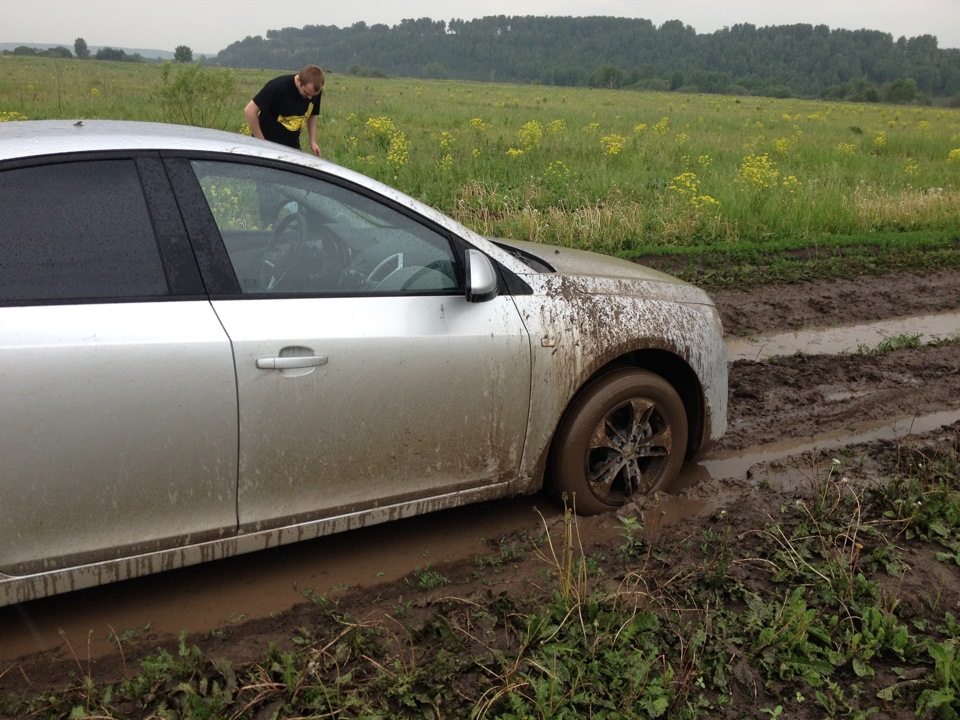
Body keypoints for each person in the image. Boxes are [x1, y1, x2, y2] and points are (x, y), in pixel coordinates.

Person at [244, 65, 325, 156]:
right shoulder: (277, 86)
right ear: (299, 80)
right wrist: (262, 143)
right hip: (268, 144)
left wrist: (312, 141)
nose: (310, 98)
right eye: (306, 93)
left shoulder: (313, 90)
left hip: (292, 146)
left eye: (313, 95)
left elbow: (312, 114)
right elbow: (249, 110)